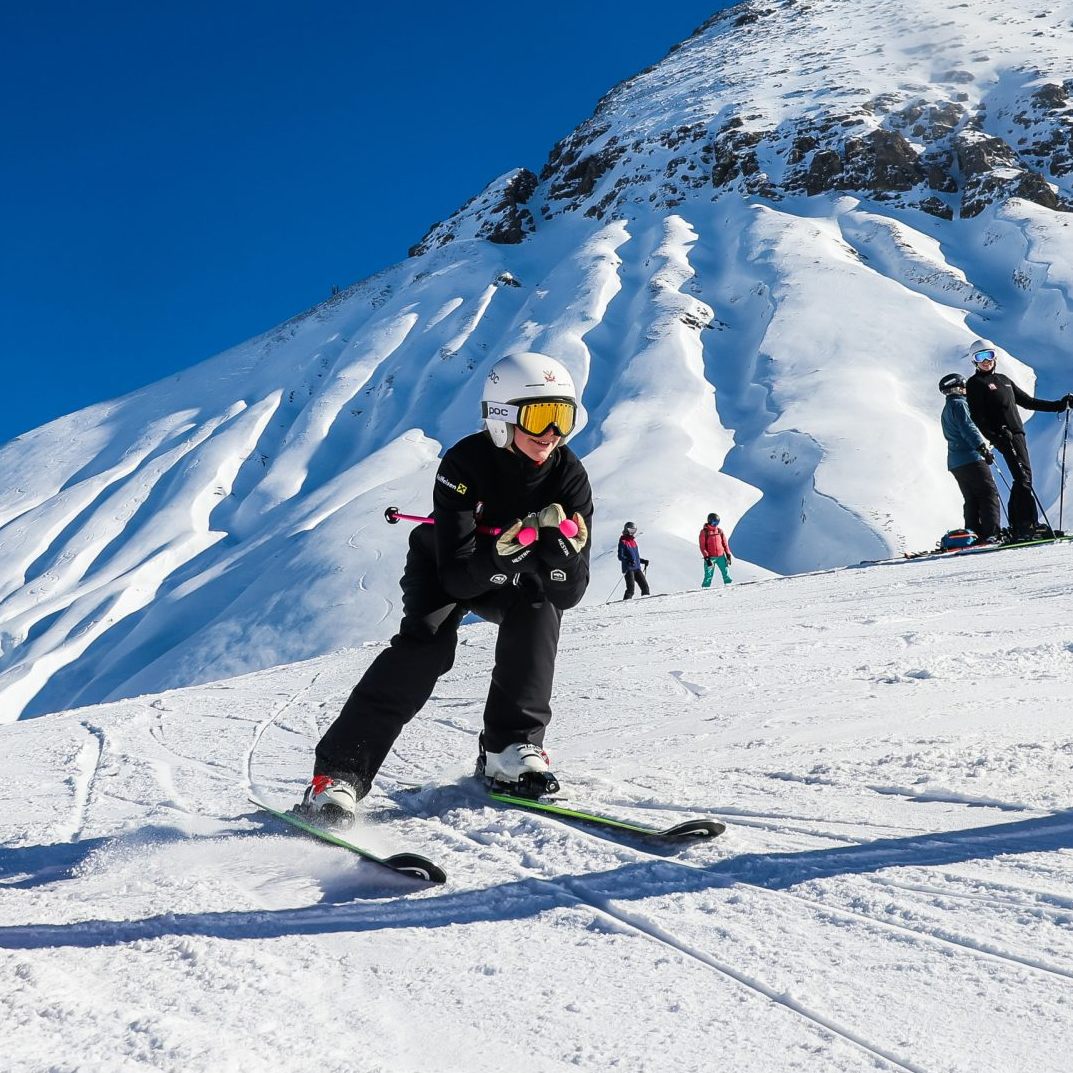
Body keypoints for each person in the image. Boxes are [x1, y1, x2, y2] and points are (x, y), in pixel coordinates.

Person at [302, 351, 593, 824]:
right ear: (502, 417)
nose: (552, 433)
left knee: (540, 605)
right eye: (540, 416)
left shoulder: (568, 476)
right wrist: (503, 556)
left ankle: (509, 750)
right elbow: (457, 576)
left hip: (509, 572)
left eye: (563, 417)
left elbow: (569, 593)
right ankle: (336, 778)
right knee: (426, 647)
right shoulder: (464, 464)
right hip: (443, 564)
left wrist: (560, 561)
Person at [963, 340, 1073, 540]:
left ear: (995, 357)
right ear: (974, 361)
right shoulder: (975, 384)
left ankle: (1023, 524)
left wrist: (1060, 404)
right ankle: (1024, 525)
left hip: (1018, 435)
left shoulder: (1004, 380)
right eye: (980, 357)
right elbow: (978, 417)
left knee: (1024, 478)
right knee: (1022, 478)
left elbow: (1028, 402)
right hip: (1004, 438)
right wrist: (996, 437)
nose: (986, 361)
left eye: (989, 355)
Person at [938, 373, 1001, 542]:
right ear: (958, 388)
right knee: (988, 493)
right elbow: (968, 427)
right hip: (971, 458)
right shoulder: (959, 405)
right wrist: (982, 448)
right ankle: (992, 534)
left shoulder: (947, 408)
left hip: (955, 462)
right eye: (964, 386)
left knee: (971, 498)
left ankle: (972, 534)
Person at [617, 522, 650, 599]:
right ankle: (624, 606)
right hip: (628, 569)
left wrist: (642, 561)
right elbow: (620, 556)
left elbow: (635, 557)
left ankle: (646, 604)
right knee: (631, 590)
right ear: (626, 530)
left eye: (634, 530)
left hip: (637, 568)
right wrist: (628, 560)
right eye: (631, 530)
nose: (632, 532)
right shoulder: (623, 541)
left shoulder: (633, 542)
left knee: (645, 587)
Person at [699, 513, 732, 586]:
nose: (716, 525)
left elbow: (725, 544)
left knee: (726, 573)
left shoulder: (719, 531)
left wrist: (728, 555)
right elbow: (702, 546)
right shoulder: (704, 532)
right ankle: (705, 590)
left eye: (717, 523)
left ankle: (730, 588)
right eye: (714, 523)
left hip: (721, 556)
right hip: (710, 558)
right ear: (709, 521)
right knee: (708, 576)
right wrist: (707, 558)